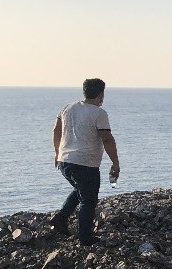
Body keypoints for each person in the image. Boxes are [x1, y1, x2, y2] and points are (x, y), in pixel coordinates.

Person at [49, 78, 120, 245]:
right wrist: (115, 163)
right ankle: (85, 237)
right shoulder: (98, 113)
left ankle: (61, 218)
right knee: (88, 201)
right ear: (101, 94)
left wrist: (57, 152)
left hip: (65, 161)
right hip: (85, 163)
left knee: (80, 190)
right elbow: (107, 139)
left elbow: (56, 130)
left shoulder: (67, 108)